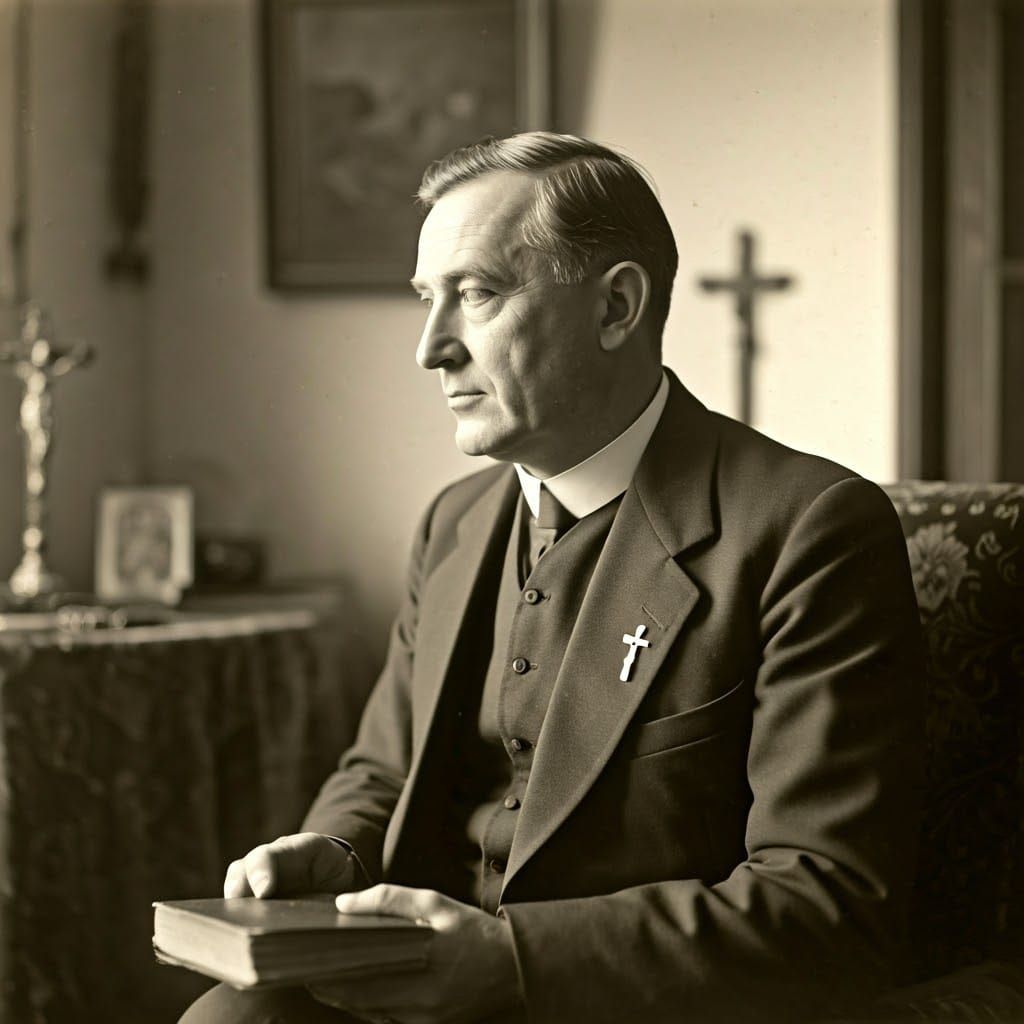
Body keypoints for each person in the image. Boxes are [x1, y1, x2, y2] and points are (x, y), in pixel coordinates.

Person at [180, 133, 924, 1024]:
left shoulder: (808, 529)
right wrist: (336, 849)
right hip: (412, 986)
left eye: (476, 295)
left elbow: (825, 901)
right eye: (426, 300)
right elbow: (383, 767)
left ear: (616, 307)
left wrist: (510, 963)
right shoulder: (454, 522)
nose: (430, 349)